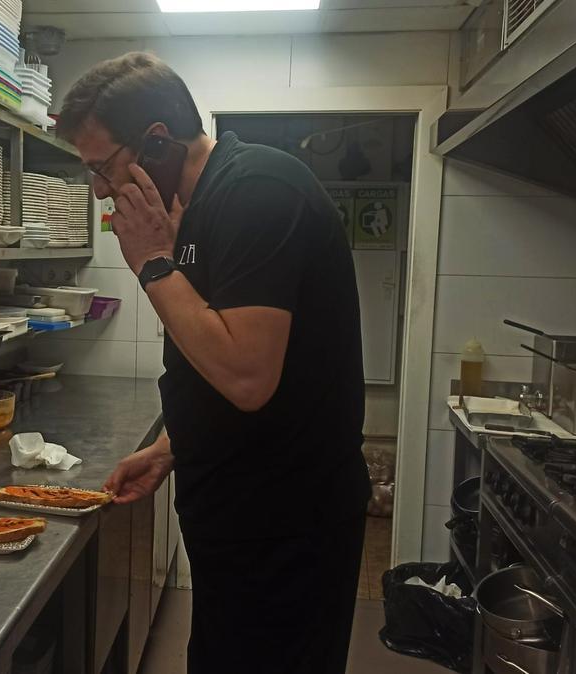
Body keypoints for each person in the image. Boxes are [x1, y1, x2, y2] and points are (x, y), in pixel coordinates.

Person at [57, 52, 371, 674]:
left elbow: (249, 378)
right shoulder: (200, 210)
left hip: (285, 523)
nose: (98, 188)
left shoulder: (257, 192)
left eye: (102, 167)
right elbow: (220, 348)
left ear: (155, 143)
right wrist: (178, 443)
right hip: (242, 513)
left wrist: (152, 262)